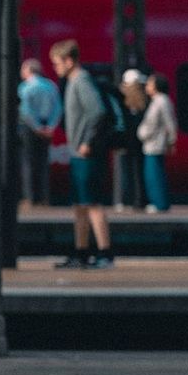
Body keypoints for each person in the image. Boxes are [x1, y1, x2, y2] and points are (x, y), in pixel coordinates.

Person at [50, 40, 113, 269]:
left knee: (92, 203)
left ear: (69, 61)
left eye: (57, 63)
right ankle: (81, 251)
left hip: (86, 152)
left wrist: (87, 141)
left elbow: (97, 112)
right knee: (80, 204)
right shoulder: (74, 82)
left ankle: (105, 252)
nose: (56, 68)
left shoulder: (81, 81)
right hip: (78, 151)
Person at [17, 58, 63, 207]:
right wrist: (50, 127)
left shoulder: (25, 87)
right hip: (46, 126)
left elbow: (26, 110)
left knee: (28, 162)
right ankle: (43, 198)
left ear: (29, 71)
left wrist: (36, 127)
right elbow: (58, 108)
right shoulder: (50, 86)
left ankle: (29, 198)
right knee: (43, 162)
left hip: (29, 127)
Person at [138, 72, 178, 213]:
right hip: (151, 143)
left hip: (156, 143)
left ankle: (160, 203)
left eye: (150, 83)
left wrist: (172, 140)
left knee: (155, 174)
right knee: (152, 174)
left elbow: (169, 122)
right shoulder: (158, 101)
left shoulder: (162, 101)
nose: (147, 86)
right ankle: (159, 201)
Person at [115, 69, 150, 212]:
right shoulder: (144, 101)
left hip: (125, 140)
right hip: (139, 141)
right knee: (138, 171)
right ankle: (139, 199)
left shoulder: (121, 100)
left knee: (126, 170)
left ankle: (125, 199)